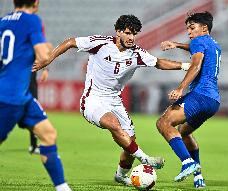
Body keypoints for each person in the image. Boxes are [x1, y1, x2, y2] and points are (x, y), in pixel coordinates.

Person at [32, 14, 191, 186]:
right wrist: (49, 58)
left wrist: (184, 66)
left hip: (114, 101)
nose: (132, 37)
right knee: (114, 125)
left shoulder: (136, 53)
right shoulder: (101, 43)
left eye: (134, 34)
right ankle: (145, 159)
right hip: (92, 99)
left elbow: (159, 62)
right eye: (128, 33)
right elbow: (71, 42)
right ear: (118, 32)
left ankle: (121, 175)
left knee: (129, 142)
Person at [0, 0, 72, 190]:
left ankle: (62, 187)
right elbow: (43, 56)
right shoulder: (31, 20)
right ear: (36, 2)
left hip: (21, 97)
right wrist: (47, 46)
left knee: (48, 134)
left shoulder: (3, 22)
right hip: (9, 98)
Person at [157, 12, 221, 188]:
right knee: (184, 132)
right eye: (187, 29)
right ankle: (198, 177)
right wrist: (176, 44)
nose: (189, 32)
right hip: (213, 101)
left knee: (163, 123)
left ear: (204, 28)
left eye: (192, 28)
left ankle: (187, 162)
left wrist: (180, 88)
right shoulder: (213, 44)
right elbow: (196, 47)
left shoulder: (198, 42)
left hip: (200, 95)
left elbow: (196, 65)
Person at [28, 69, 49, 154]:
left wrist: (45, 69)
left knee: (33, 114)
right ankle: (33, 146)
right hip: (21, 83)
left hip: (30, 83)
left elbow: (42, 55)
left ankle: (33, 145)